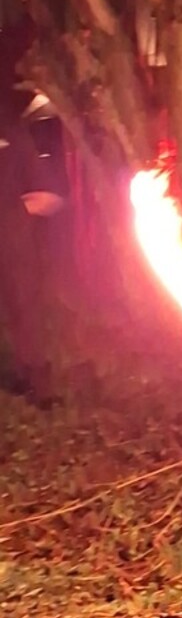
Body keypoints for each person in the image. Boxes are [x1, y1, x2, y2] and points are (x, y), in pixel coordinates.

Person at [0, 118, 58, 407]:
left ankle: (36, 382)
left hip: (13, 238)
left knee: (24, 307)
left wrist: (24, 210)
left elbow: (45, 194)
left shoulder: (13, 134)